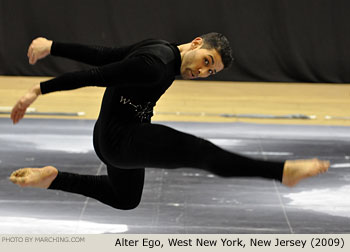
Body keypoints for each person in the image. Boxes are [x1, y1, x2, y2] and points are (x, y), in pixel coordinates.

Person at [9, 33, 329, 210]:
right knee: (202, 153)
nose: (202, 72)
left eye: (210, 72)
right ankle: (281, 172)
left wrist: (53, 46)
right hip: (123, 141)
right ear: (197, 43)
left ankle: (52, 179)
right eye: (206, 62)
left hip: (112, 140)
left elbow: (106, 54)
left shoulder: (158, 48)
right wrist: (38, 89)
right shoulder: (155, 66)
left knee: (125, 198)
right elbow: (98, 75)